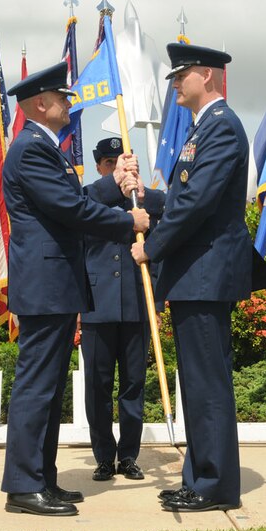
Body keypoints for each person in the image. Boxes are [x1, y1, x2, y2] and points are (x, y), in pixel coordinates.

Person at [0, 62, 149, 517]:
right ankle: (24, 485)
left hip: (56, 284)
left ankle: (42, 479)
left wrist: (115, 183)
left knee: (47, 389)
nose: (69, 103)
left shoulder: (48, 149)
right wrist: (128, 221)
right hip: (46, 285)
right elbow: (69, 208)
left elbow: (77, 200)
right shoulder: (31, 150)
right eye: (62, 98)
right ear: (41, 105)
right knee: (36, 388)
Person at [131, 44, 252, 512]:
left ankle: (216, 484)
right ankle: (199, 476)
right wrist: (146, 197)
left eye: (182, 75)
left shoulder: (221, 127)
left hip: (204, 272)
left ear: (206, 75)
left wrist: (152, 247)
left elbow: (198, 203)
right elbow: (186, 197)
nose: (176, 83)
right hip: (194, 274)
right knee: (197, 383)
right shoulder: (203, 129)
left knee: (207, 383)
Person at [80, 138, 165, 483]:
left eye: (127, 165)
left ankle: (128, 455)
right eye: (111, 163)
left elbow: (159, 254)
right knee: (97, 387)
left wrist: (156, 304)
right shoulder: (87, 197)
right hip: (97, 305)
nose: (120, 169)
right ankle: (103, 456)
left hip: (136, 303)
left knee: (133, 384)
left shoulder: (146, 204)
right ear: (101, 166)